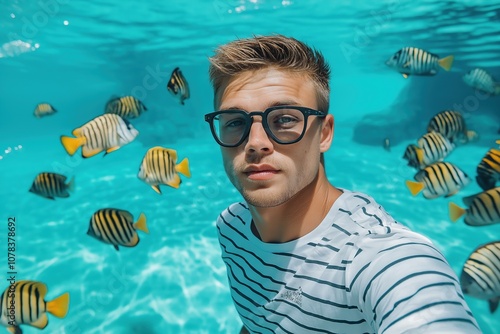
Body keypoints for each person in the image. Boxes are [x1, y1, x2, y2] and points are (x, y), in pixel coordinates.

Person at [204, 35, 481, 334]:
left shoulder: (378, 255)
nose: (255, 143)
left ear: (324, 134)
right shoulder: (231, 227)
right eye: (234, 122)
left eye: (284, 119)